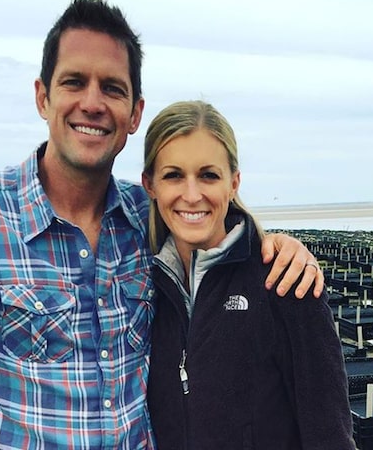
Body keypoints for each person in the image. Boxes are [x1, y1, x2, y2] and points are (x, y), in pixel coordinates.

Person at [0, 0, 324, 450]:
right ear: (43, 97)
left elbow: (215, 227)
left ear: (135, 113)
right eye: (74, 82)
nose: (93, 103)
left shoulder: (149, 217)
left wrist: (280, 246)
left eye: (113, 88)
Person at [142, 100, 353, 449]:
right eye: (173, 175)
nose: (191, 195)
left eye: (209, 175)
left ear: (234, 183)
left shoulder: (285, 281)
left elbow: (330, 433)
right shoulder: (142, 288)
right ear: (150, 185)